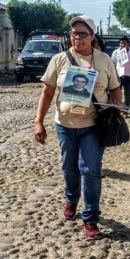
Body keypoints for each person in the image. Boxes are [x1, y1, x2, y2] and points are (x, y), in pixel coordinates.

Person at [34, 15, 122, 240]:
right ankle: (71, 199)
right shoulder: (59, 59)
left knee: (91, 170)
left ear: (92, 36)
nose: (78, 38)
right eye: (74, 33)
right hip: (65, 125)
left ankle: (90, 218)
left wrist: (113, 108)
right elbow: (47, 92)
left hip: (93, 125)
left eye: (83, 34)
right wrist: (38, 122)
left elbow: (115, 89)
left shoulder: (104, 60)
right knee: (69, 168)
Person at [111, 36, 130, 107]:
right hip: (118, 77)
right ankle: (117, 108)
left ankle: (126, 109)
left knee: (127, 95)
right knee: (117, 93)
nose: (122, 45)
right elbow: (113, 63)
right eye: (121, 43)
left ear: (128, 44)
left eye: (124, 43)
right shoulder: (116, 52)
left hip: (129, 76)